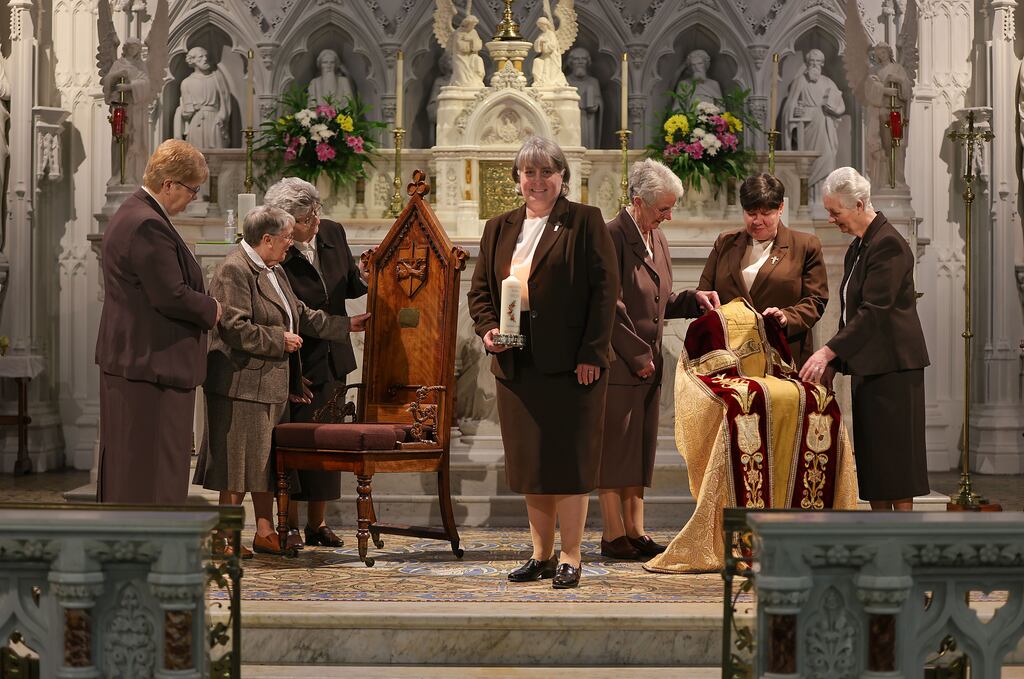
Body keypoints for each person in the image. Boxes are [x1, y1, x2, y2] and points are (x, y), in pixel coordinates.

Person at [467, 137, 618, 589]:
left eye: (545, 172)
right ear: (517, 180)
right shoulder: (498, 227)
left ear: (562, 177)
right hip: (517, 362)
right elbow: (479, 293)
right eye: (528, 173)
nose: (536, 181)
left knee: (569, 461)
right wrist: (488, 329)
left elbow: (605, 293)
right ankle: (541, 555)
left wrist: (592, 353)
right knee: (532, 462)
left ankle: (572, 556)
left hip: (572, 364)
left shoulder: (585, 221)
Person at [196, 205, 369, 555]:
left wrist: (344, 325)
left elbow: (299, 313)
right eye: (287, 238)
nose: (291, 245)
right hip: (240, 384)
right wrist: (280, 340)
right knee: (236, 464)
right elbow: (234, 327)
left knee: (263, 464)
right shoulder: (235, 270)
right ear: (267, 238)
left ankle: (264, 531)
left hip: (268, 384)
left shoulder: (272, 268)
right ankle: (225, 537)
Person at [599, 159, 719, 560]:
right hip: (620, 361)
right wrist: (635, 355)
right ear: (638, 201)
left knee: (640, 447)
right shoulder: (611, 236)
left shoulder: (657, 238)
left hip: (648, 364)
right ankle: (612, 533)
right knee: (615, 449)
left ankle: (635, 529)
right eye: (663, 208)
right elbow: (607, 307)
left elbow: (660, 300)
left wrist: (693, 300)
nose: (669, 215)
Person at [95, 139, 221, 504]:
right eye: (192, 189)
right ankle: (147, 549)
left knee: (137, 464)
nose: (194, 198)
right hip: (150, 364)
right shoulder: (147, 224)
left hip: (140, 362)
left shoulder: (135, 213)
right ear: (169, 184)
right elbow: (171, 294)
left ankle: (139, 547)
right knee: (148, 469)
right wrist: (214, 309)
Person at [800, 167, 929, 511]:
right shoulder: (859, 246)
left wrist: (827, 353)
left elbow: (875, 311)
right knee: (874, 465)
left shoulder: (888, 244)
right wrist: (838, 362)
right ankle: (880, 542)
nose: (831, 219)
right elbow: (851, 314)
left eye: (835, 212)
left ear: (858, 205)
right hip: (870, 368)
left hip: (895, 370)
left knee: (896, 466)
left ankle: (898, 547)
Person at [266, 177, 369, 548]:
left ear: (312, 215)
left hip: (334, 354)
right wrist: (292, 371)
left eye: (299, 222)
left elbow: (351, 283)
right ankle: (289, 523)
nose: (291, 230)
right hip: (298, 357)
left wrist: (370, 276)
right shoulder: (277, 244)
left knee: (328, 443)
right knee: (295, 447)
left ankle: (318, 523)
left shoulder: (333, 233)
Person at [697, 173, 828, 368]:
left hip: (781, 353)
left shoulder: (804, 245)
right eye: (751, 213)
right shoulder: (725, 242)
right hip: (730, 356)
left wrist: (787, 317)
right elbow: (705, 292)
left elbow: (816, 301)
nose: (757, 221)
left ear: (780, 208)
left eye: (766, 214)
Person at [781, 49, 846, 189]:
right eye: (812, 62)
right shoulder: (800, 81)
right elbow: (790, 104)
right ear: (807, 63)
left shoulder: (828, 82)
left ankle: (823, 197)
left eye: (818, 62)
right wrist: (795, 111)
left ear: (822, 64)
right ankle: (808, 197)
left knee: (828, 157)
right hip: (807, 125)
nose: (815, 65)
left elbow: (841, 106)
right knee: (808, 161)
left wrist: (834, 110)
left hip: (825, 122)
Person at [100, 38, 152, 186]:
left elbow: (147, 85)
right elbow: (108, 81)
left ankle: (131, 175)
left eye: (137, 47)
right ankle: (117, 174)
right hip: (120, 108)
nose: (134, 50)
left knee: (134, 141)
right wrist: (116, 76)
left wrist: (129, 87)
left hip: (135, 109)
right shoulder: (118, 64)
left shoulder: (141, 66)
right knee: (119, 139)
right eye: (131, 47)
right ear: (126, 48)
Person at [175, 46, 231, 149]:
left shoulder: (217, 78)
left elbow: (225, 101)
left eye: (206, 56)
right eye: (200, 57)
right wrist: (185, 110)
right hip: (197, 123)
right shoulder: (186, 83)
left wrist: (221, 117)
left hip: (215, 121)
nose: (205, 59)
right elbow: (187, 113)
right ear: (192, 60)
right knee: (196, 157)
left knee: (217, 156)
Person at [565, 47, 602, 149]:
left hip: (588, 119)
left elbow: (599, 100)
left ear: (587, 62)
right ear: (571, 62)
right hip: (570, 120)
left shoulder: (593, 82)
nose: (580, 62)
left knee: (587, 143)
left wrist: (596, 105)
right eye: (577, 59)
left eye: (583, 59)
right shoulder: (565, 81)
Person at [448, 15, 485, 88]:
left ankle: (475, 82)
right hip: (460, 56)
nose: (473, 27)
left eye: (474, 25)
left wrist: (471, 40)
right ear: (467, 24)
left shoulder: (473, 32)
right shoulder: (458, 33)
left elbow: (478, 45)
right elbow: (461, 47)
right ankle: (462, 84)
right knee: (462, 75)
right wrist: (470, 44)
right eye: (472, 25)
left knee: (478, 60)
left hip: (471, 55)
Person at [531, 17, 568, 87]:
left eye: (542, 26)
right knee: (536, 61)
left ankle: (546, 82)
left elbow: (553, 46)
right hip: (544, 56)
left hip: (551, 56)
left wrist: (545, 42)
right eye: (540, 27)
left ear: (546, 25)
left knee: (547, 64)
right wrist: (539, 42)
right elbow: (537, 49)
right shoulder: (541, 35)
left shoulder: (551, 34)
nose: (541, 28)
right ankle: (538, 81)